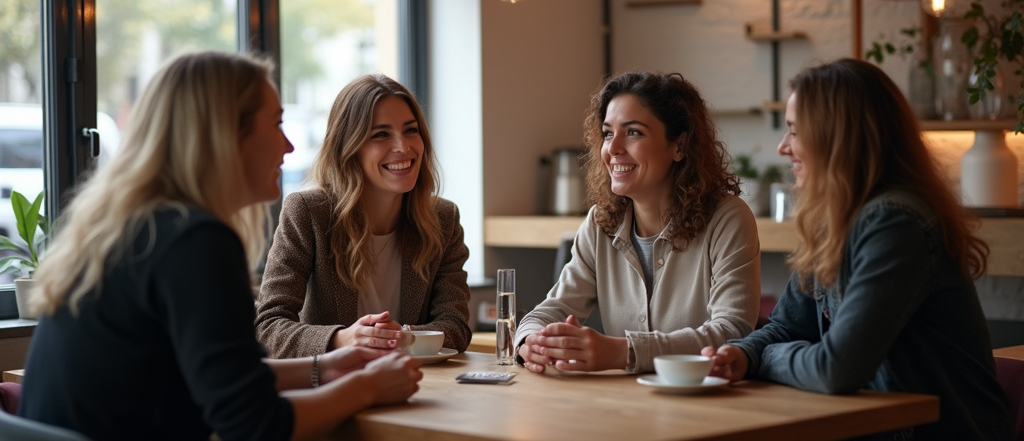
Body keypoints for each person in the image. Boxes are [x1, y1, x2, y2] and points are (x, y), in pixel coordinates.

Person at [17, 51, 422, 441]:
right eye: (276, 124)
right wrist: (367, 387)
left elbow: (209, 375)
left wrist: (326, 366)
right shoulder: (195, 241)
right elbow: (256, 425)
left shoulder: (135, 226)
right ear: (226, 135)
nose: (289, 146)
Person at [702, 59, 1013, 440]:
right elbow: (787, 325)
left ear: (838, 137)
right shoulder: (834, 222)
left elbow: (837, 368)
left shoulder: (895, 223)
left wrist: (762, 359)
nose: (783, 148)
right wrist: (743, 354)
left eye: (796, 132)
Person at [514, 71, 761, 374]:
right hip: (625, 407)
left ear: (679, 146)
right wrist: (531, 342)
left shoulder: (728, 218)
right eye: (607, 133)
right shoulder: (599, 223)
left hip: (706, 407)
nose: (613, 148)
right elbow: (554, 310)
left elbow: (732, 331)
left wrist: (625, 352)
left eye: (633, 132)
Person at [255, 74, 471, 358]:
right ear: (349, 147)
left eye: (411, 130)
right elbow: (268, 327)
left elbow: (456, 325)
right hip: (334, 387)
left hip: (416, 384)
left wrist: (402, 337)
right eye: (381, 134)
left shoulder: (443, 219)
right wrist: (342, 339)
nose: (403, 147)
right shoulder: (308, 212)